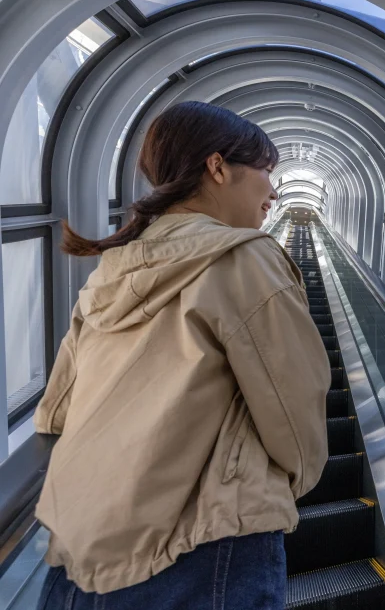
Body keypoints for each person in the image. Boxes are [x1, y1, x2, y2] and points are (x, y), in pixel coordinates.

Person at [33, 101, 330, 609]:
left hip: (77, 557)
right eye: (266, 171)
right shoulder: (244, 257)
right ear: (217, 168)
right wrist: (287, 485)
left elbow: (55, 412)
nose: (274, 193)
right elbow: (294, 416)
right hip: (204, 551)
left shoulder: (109, 271)